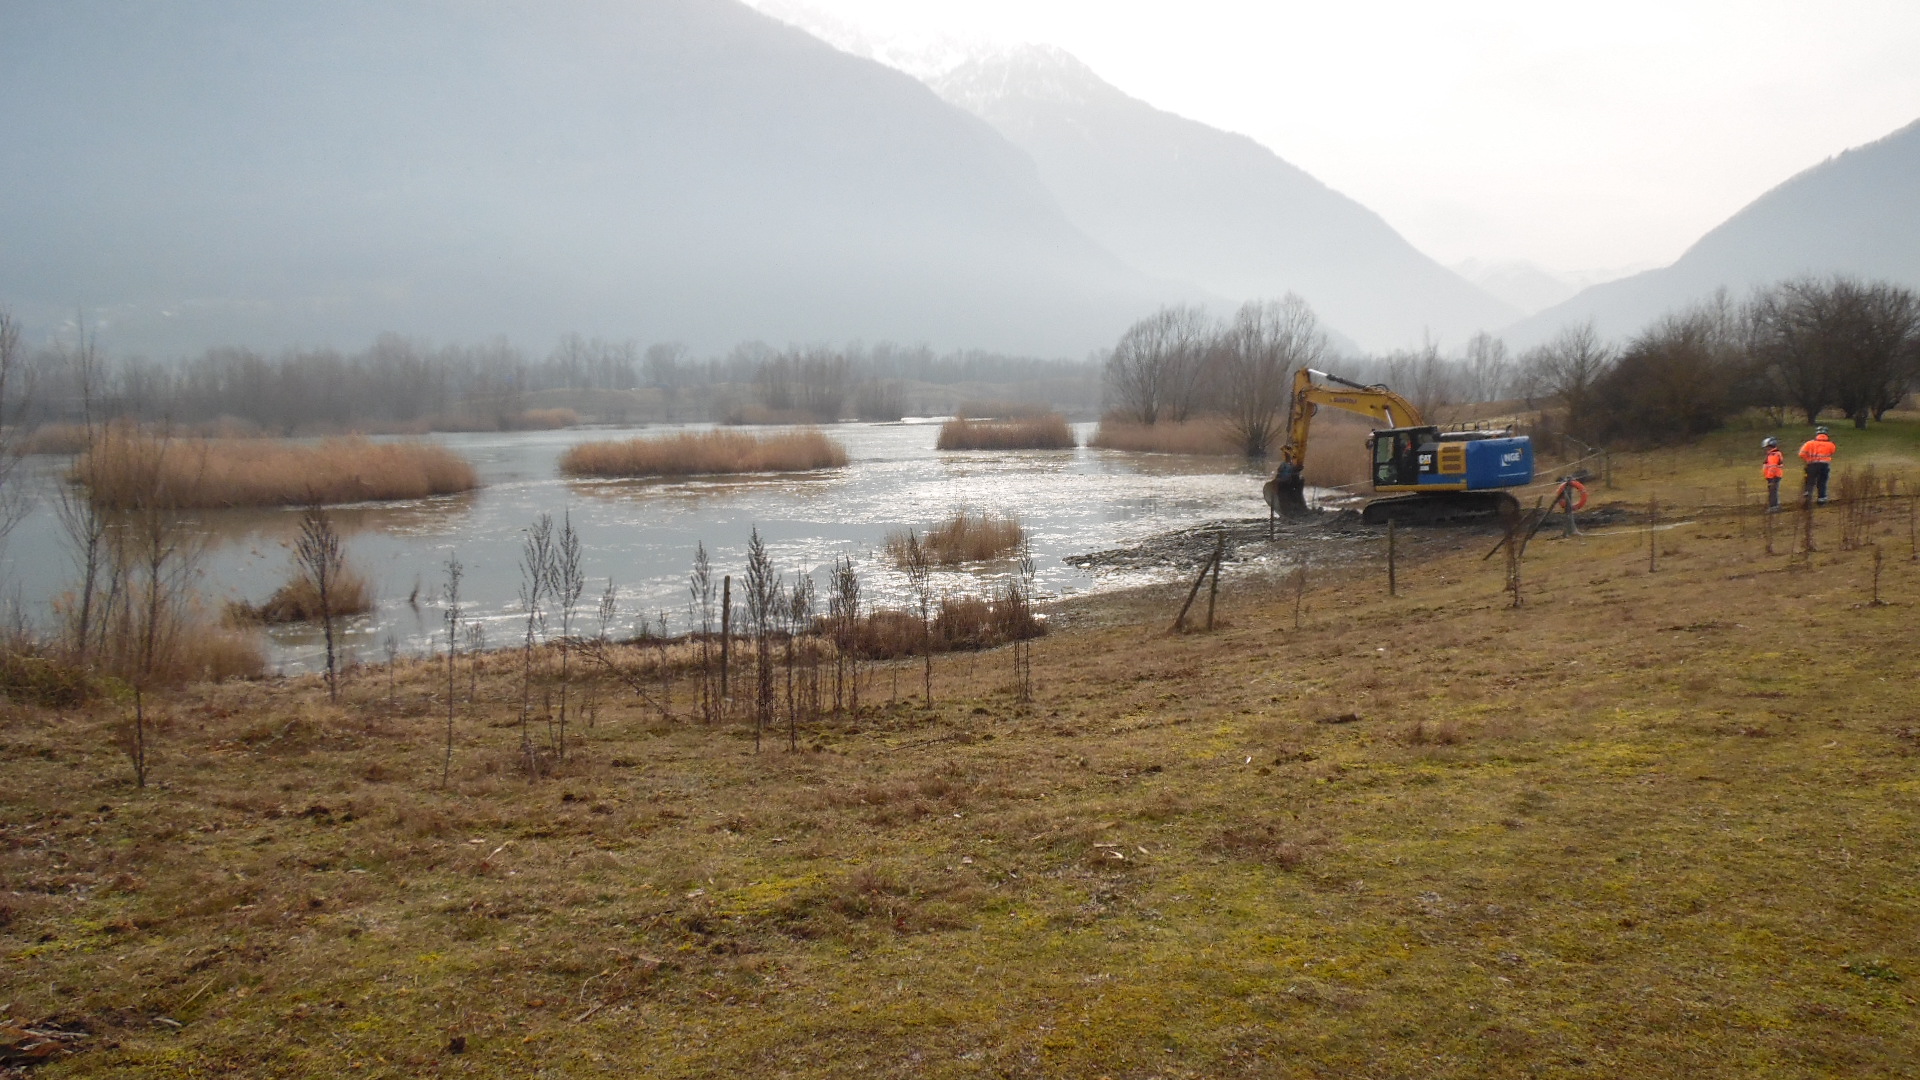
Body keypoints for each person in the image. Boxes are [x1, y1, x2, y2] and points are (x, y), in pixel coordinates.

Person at [1799, 426, 1837, 506]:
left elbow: (1801, 454)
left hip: (1812, 465)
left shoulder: (1809, 443)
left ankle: (1808, 496)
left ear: (1817, 433)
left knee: (1810, 482)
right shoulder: (1831, 444)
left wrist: (1808, 459)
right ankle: (1821, 500)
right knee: (1822, 482)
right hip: (1824, 465)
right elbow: (1832, 452)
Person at [1762, 436, 1784, 511]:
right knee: (1773, 491)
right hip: (1773, 476)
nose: (1766, 449)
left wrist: (1770, 477)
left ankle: (1774, 507)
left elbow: (1773, 467)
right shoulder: (1773, 454)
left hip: (1773, 476)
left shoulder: (1774, 454)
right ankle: (1775, 505)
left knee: (1773, 491)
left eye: (1767, 447)